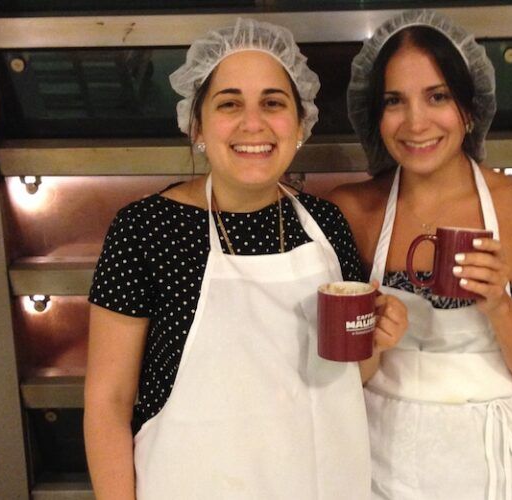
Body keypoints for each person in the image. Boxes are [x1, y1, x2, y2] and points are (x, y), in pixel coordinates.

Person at [83, 18, 407, 499]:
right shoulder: (144, 231)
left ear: (300, 125)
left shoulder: (327, 225)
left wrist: (378, 342)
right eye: (229, 103)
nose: (252, 123)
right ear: (196, 125)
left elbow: (348, 377)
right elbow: (108, 402)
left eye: (273, 104)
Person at [329, 10, 512, 500]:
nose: (415, 122)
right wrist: (374, 341)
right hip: (377, 453)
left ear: (470, 108)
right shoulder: (352, 210)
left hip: (493, 460)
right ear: (375, 115)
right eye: (395, 101)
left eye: (437, 96)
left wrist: (499, 304)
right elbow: (334, 373)